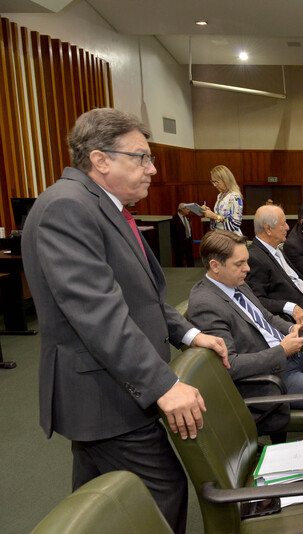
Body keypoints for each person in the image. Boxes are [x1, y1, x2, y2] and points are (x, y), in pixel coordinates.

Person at [20, 108, 230, 534]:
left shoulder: (100, 206)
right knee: (160, 490)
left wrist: (189, 333)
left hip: (114, 387)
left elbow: (140, 297)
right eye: (141, 157)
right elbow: (99, 314)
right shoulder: (68, 207)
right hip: (105, 393)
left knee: (101, 504)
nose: (152, 169)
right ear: (101, 160)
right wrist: (165, 385)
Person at [188, 230, 303, 423]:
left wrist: (290, 328)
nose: (247, 268)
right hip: (271, 378)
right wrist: (282, 351)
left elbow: (266, 317)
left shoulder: (236, 282)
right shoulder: (205, 304)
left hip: (291, 359)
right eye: (239, 264)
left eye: (246, 261)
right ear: (215, 266)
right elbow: (230, 365)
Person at [246, 205, 303, 344]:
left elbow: (296, 278)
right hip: (299, 320)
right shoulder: (254, 257)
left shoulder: (276, 249)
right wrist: (290, 307)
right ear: (268, 229)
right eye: (283, 224)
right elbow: (256, 300)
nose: (287, 227)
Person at [200, 164, 243, 236]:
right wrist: (209, 212)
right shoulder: (220, 196)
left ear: (225, 180)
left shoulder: (234, 196)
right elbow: (219, 218)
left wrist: (214, 216)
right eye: (213, 182)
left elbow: (235, 223)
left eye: (216, 182)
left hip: (232, 238)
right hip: (220, 235)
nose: (214, 185)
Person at [170, 202, 194, 267]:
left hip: (188, 241)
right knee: (179, 260)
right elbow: (173, 232)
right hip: (179, 243)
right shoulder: (174, 219)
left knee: (190, 258)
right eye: (187, 209)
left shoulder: (187, 217)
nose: (189, 211)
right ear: (182, 209)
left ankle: (191, 270)